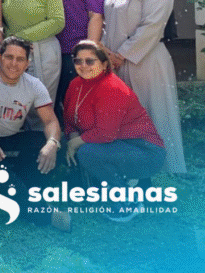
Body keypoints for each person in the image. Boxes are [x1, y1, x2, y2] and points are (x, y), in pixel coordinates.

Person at [103, 0, 186, 174]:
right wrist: (106, 52)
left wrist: (120, 55)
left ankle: (166, 168)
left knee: (154, 113)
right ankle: (133, 169)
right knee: (127, 117)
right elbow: (110, 22)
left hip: (147, 61)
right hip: (117, 61)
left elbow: (151, 28)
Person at [0, 36, 69, 231]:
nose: (14, 64)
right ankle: (44, 214)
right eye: (9, 57)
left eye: (20, 59)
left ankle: (29, 198)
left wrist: (51, 144)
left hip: (11, 138)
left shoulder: (33, 84)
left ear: (27, 63)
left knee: (50, 144)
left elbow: (50, 121)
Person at [63, 40, 166, 222]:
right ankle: (111, 185)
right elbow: (69, 118)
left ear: (103, 64)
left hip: (144, 151)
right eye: (78, 61)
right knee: (73, 148)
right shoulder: (75, 84)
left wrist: (76, 143)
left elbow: (105, 133)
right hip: (114, 146)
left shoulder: (111, 86)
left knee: (88, 152)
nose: (83, 66)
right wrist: (72, 138)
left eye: (90, 61)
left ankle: (127, 200)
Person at [37, 0, 108, 117]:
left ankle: (75, 143)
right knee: (45, 105)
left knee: (74, 104)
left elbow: (96, 15)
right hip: (43, 49)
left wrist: (89, 51)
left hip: (73, 52)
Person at [2, 0, 65, 109]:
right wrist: (12, 40)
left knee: (40, 107)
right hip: (15, 52)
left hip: (43, 51)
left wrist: (21, 37)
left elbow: (57, 21)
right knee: (16, 106)